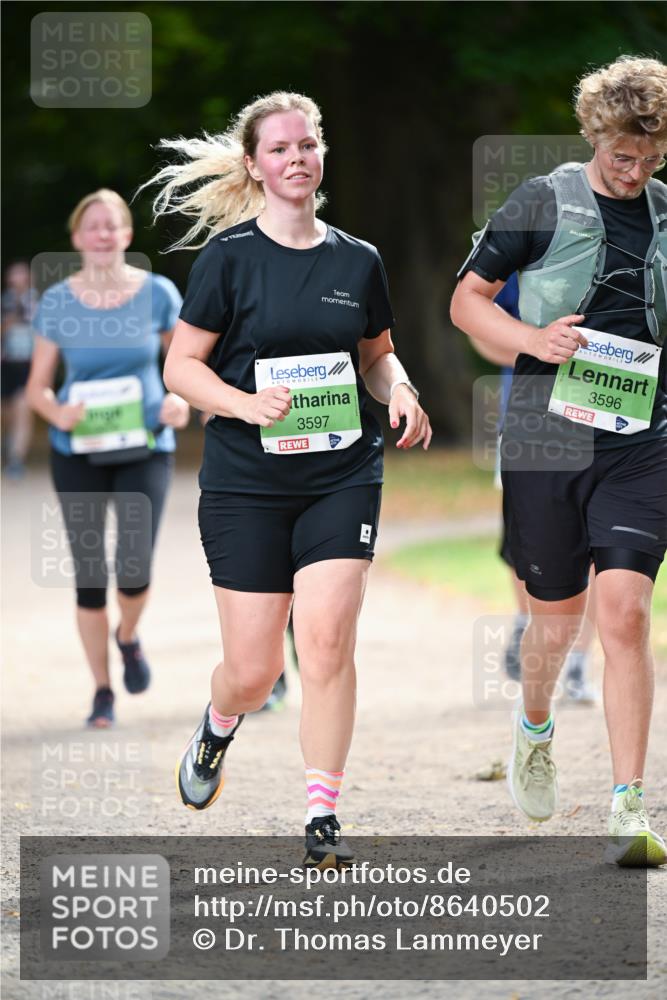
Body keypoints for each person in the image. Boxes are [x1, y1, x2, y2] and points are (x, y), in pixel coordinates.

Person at [141, 91, 431, 868]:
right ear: (254, 165)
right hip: (246, 483)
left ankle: (322, 814)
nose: (296, 158)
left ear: (320, 154)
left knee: (327, 640)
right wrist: (242, 403)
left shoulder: (356, 259)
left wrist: (398, 387)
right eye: (279, 149)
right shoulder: (228, 260)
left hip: (342, 473)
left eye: (307, 145)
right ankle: (217, 726)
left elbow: (374, 353)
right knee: (253, 669)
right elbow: (180, 366)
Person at [451, 56, 667, 866]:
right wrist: (532, 339)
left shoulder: (666, 213)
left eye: (651, 158)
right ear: (593, 133)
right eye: (621, 154)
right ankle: (535, 725)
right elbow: (464, 299)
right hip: (546, 431)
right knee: (555, 619)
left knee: (626, 613)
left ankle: (627, 806)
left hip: (641, 436)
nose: (634, 171)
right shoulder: (541, 199)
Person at [27, 189, 188, 727]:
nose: (102, 234)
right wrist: (56, 413)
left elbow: (185, 365)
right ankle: (102, 692)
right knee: (90, 575)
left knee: (135, 566)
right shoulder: (57, 302)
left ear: (126, 235)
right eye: (92, 226)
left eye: (112, 225)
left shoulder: (158, 293)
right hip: (78, 452)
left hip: (144, 446)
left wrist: (181, 400)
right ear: (77, 238)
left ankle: (128, 635)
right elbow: (36, 390)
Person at [479, 274, 598, 702]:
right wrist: (535, 349)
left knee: (600, 549)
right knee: (523, 543)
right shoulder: (526, 237)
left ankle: (579, 662)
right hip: (528, 420)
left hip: (600, 416)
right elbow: (476, 317)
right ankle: (528, 621)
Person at [1, 261, 38, 477]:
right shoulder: (3, 302)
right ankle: (9, 442)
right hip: (6, 364)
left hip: (29, 363)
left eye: (21, 275)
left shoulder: (38, 303)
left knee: (23, 409)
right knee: (6, 413)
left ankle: (16, 459)